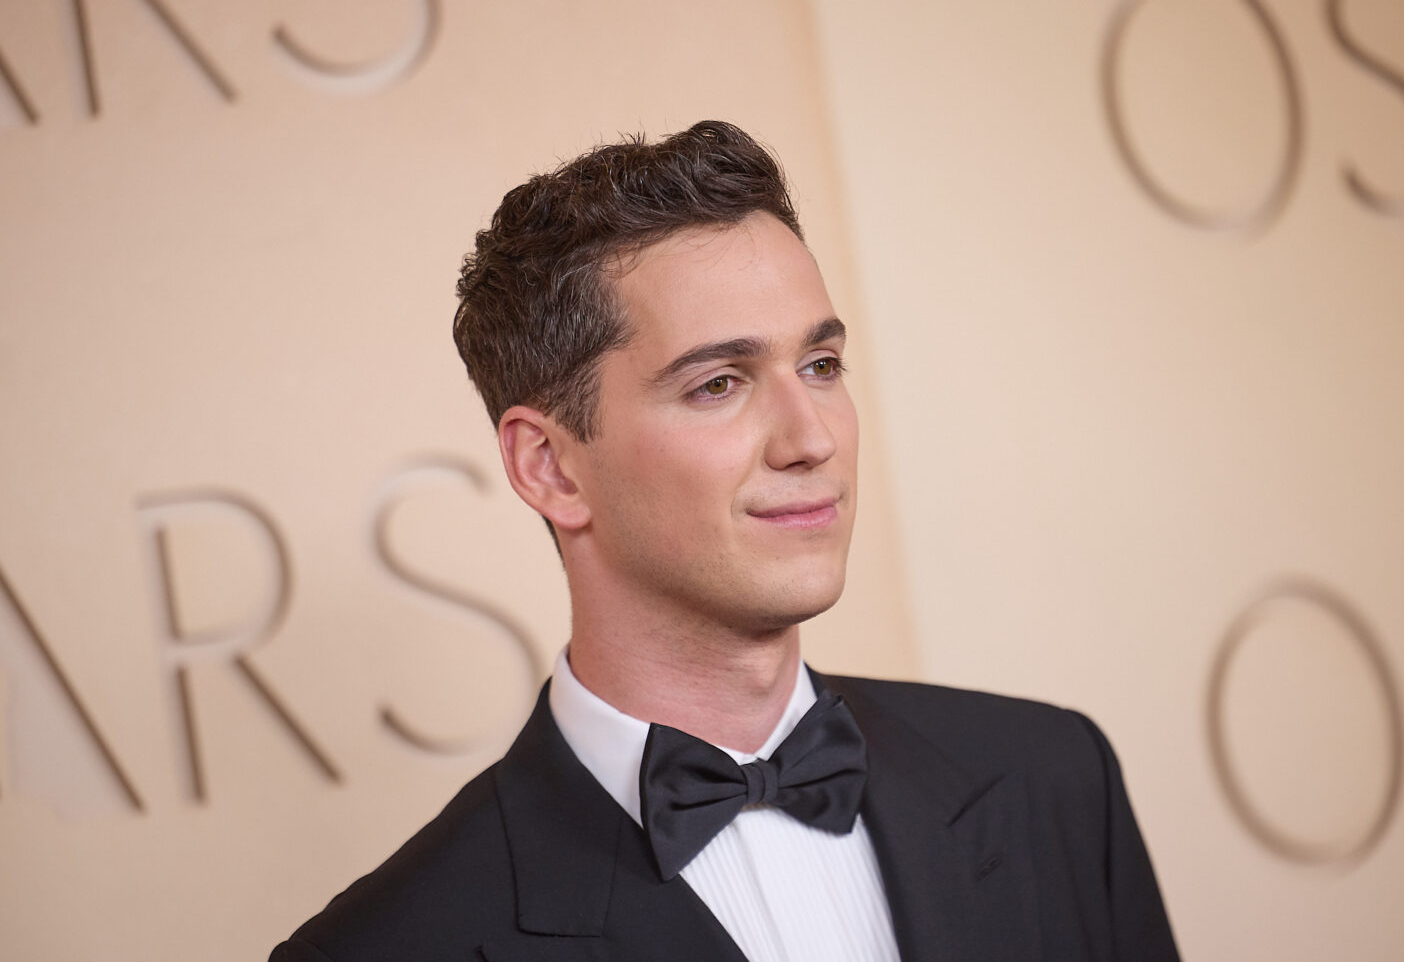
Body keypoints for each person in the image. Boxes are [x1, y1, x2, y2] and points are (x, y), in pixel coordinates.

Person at [270, 121, 1180, 961]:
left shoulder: (1054, 782)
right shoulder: (390, 947)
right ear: (549, 467)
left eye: (820, 366)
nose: (811, 438)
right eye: (719, 384)